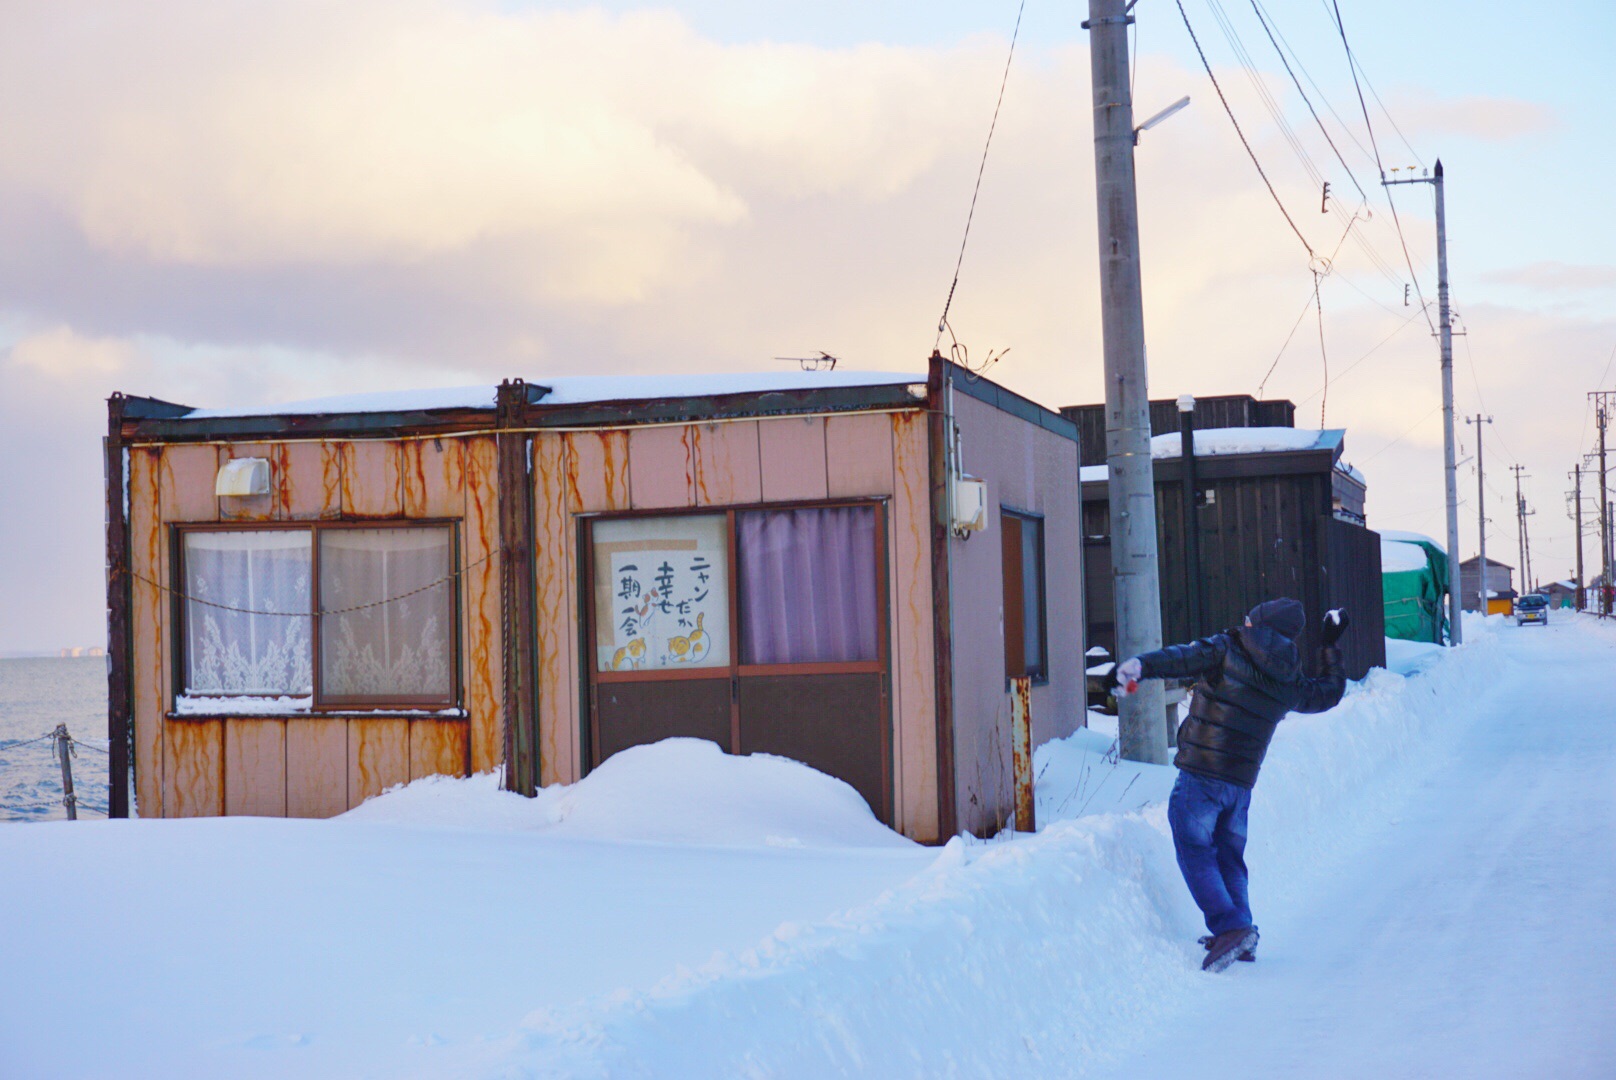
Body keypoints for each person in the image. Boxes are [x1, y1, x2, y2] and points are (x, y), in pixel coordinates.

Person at [1115, 598, 1349, 972]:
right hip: (1240, 785)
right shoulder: (1290, 678)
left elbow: (1182, 657)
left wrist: (1142, 665)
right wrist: (1330, 646)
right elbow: (1329, 694)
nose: (1244, 621)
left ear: (1258, 624)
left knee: (1193, 846)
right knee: (1228, 856)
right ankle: (1242, 934)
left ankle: (1231, 928)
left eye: (1250, 619)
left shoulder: (1227, 650)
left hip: (1201, 774)